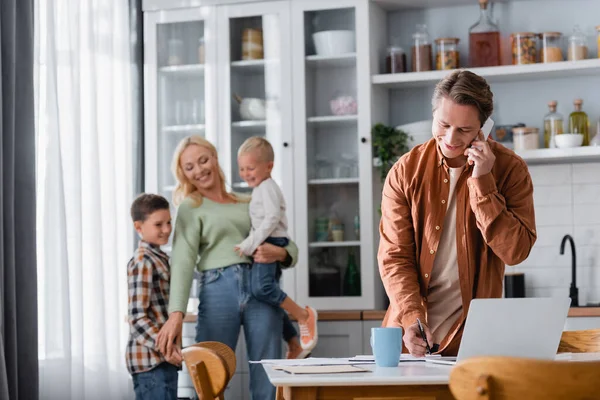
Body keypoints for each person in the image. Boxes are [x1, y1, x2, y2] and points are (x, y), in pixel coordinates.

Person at [378, 70, 536, 357]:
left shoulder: (511, 169)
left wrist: (483, 183)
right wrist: (412, 316)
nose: (450, 138)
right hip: (409, 337)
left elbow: (516, 252)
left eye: (464, 130)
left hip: (474, 340)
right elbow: (394, 257)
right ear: (433, 114)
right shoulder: (405, 171)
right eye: (443, 124)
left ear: (483, 128)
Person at [156, 136, 300, 400]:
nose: (199, 170)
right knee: (210, 377)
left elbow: (289, 245)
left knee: (268, 374)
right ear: (184, 175)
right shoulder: (191, 207)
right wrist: (175, 314)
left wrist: (280, 252)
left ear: (215, 157)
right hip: (217, 290)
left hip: (260, 290)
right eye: (190, 167)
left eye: (203, 160)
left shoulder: (251, 199)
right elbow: (183, 261)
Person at [235, 136, 318, 358]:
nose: (245, 174)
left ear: (269, 166)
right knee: (261, 291)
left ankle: (303, 315)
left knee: (263, 289)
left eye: (250, 168)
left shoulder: (267, 187)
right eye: (241, 169)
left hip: (273, 242)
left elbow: (271, 219)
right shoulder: (260, 188)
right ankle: (293, 341)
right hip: (268, 241)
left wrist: (250, 243)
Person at [126, 193, 182, 400]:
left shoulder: (158, 258)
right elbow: (137, 318)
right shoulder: (143, 261)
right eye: (159, 224)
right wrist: (166, 348)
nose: (167, 229)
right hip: (151, 362)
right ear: (139, 227)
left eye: (169, 222)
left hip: (161, 360)